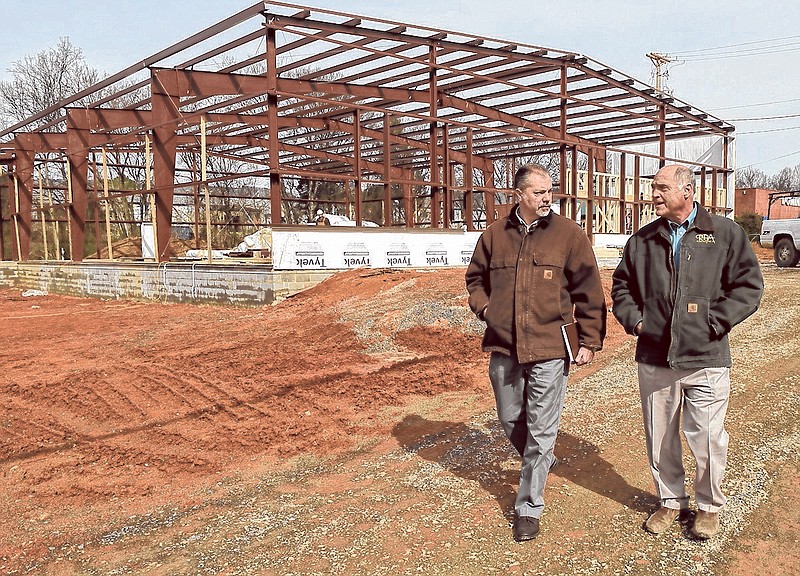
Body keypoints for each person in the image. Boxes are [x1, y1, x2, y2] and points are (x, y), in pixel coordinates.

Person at [611, 164, 763, 539]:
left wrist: (714, 322)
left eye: (661, 188)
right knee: (660, 435)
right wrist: (639, 323)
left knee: (708, 437)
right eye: (653, 188)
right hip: (655, 358)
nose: (654, 195)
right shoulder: (642, 240)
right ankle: (670, 501)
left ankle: (708, 506)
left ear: (687, 191)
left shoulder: (725, 234)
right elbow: (621, 288)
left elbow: (748, 287)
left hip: (706, 358)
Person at [465, 162, 606, 542]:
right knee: (510, 417)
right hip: (504, 344)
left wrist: (589, 341)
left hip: (550, 345)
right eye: (540, 192)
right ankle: (540, 458)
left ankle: (528, 507)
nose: (548, 198)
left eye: (550, 191)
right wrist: (485, 309)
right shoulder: (495, 235)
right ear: (519, 195)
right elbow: (475, 279)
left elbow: (589, 292)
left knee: (542, 431)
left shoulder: (569, 235)